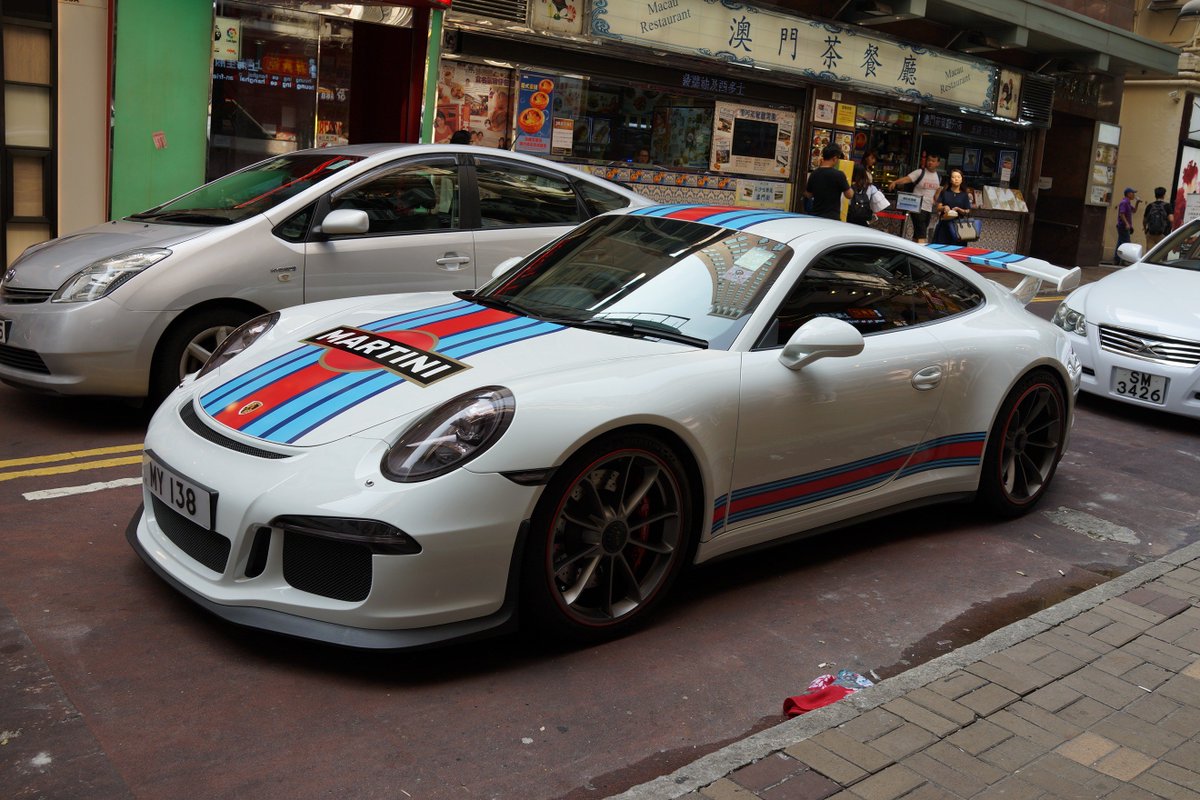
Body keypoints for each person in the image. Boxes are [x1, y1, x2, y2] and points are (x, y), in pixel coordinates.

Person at [888, 153, 942, 243]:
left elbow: (936, 195)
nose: (930, 163)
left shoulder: (939, 177)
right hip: (917, 208)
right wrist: (895, 182)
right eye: (929, 160)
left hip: (928, 208)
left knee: (918, 234)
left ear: (938, 163)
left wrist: (937, 196)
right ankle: (923, 254)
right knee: (922, 234)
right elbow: (907, 179)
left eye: (933, 161)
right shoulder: (920, 172)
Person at [805, 143, 853, 221]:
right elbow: (849, 195)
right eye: (838, 158)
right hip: (832, 219)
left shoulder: (814, 174)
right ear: (834, 158)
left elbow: (808, 194)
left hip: (816, 217)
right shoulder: (839, 175)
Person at [931, 168, 973, 245]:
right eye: (953, 177)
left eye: (958, 177)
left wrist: (960, 210)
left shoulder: (964, 195)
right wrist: (944, 207)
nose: (956, 179)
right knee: (941, 248)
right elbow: (938, 207)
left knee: (957, 250)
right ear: (950, 180)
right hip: (944, 226)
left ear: (962, 180)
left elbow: (968, 211)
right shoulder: (945, 192)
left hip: (959, 227)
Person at [1114, 187, 1140, 262]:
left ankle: (1117, 259)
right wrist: (1127, 224)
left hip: (1123, 226)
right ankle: (1123, 260)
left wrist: (1137, 202)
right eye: (1133, 193)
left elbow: (1134, 211)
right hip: (1123, 226)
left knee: (1120, 243)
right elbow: (1122, 214)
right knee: (1126, 244)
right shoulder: (1124, 202)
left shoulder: (1128, 203)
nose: (1134, 195)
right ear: (1128, 194)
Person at [1143, 186, 1173, 251]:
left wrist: (1145, 229)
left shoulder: (1150, 206)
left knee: (1150, 254)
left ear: (1155, 195)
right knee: (1162, 254)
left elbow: (1145, 220)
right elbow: (1171, 219)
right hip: (1163, 234)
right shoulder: (1167, 206)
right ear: (1163, 195)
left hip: (1151, 233)